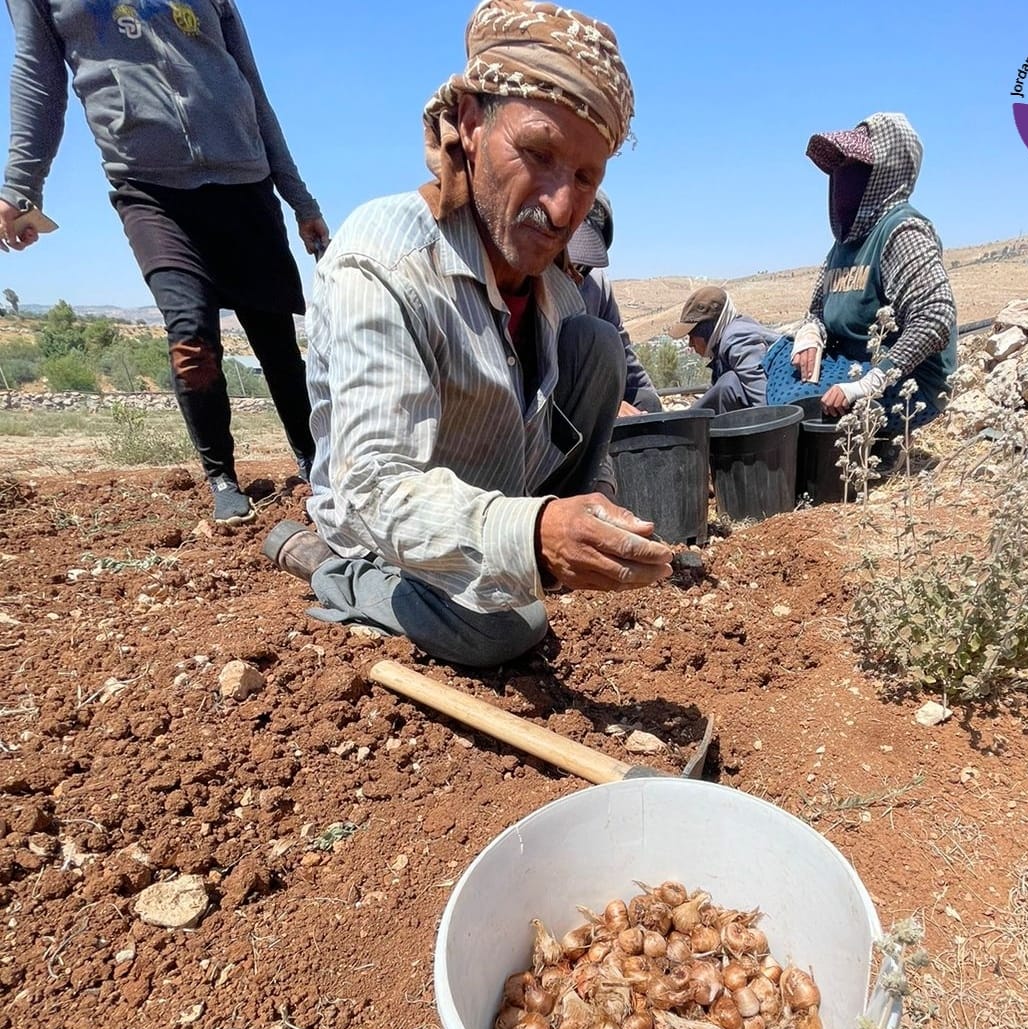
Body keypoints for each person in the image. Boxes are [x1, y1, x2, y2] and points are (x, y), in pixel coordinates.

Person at [261, 0, 672, 670]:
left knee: (595, 348)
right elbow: (378, 489)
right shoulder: (384, 262)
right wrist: (535, 535)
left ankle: (528, 554)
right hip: (387, 528)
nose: (563, 206)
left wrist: (589, 518)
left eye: (586, 178)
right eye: (537, 153)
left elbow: (574, 427)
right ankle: (333, 569)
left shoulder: (553, 278)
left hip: (498, 491)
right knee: (507, 628)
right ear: (472, 124)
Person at [0, 0, 328, 524]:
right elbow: (38, 81)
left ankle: (315, 462)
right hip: (149, 188)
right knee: (190, 337)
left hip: (244, 178)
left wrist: (299, 198)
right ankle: (222, 475)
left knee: (277, 346)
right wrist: (20, 187)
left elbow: (250, 85)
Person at [790, 112, 956, 447]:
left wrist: (871, 381)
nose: (841, 178)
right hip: (851, 363)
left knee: (800, 408)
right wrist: (811, 334)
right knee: (781, 360)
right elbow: (818, 312)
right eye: (838, 169)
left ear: (883, 172)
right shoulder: (844, 244)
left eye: (852, 167)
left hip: (906, 378)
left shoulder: (901, 231)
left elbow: (936, 315)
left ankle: (872, 452)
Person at [566, 190, 662, 416]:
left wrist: (656, 414)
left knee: (647, 401)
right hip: (555, 402)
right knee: (590, 331)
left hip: (591, 395)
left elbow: (623, 352)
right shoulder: (532, 278)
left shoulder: (598, 285)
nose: (574, 274)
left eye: (583, 265)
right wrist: (607, 405)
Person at [668, 286, 782, 413]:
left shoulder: (736, 340)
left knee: (728, 384)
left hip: (785, 414)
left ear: (707, 329)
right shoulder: (729, 338)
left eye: (693, 336)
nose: (690, 344)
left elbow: (763, 401)